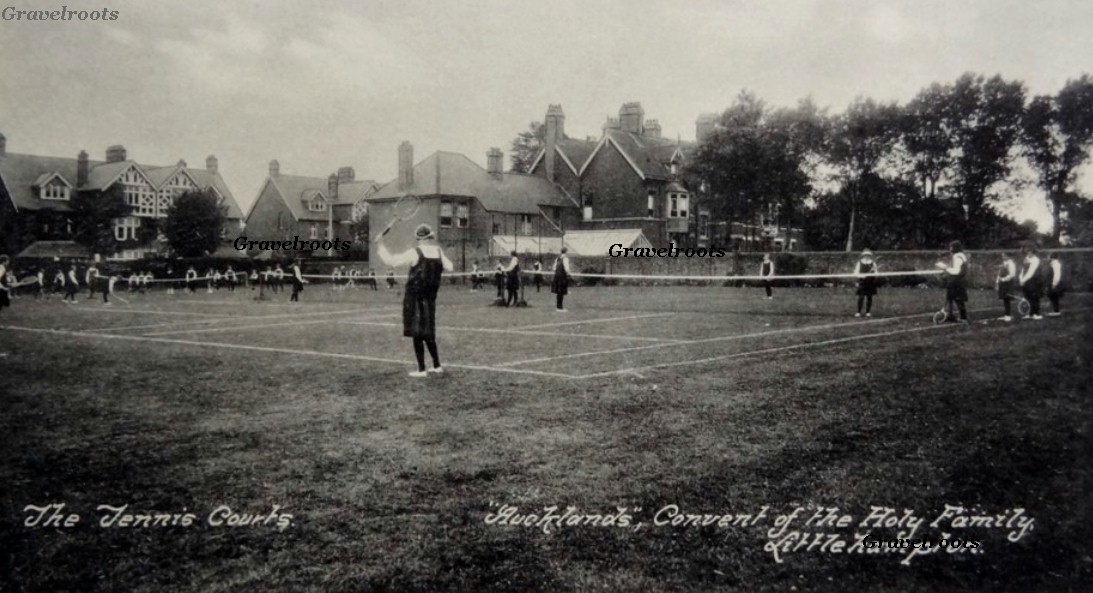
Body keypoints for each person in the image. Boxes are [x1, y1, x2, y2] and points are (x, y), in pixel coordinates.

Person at [377, 224, 454, 377]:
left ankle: (421, 369)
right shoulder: (438, 251)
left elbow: (392, 261)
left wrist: (380, 245)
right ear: (430, 236)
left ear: (418, 238)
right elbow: (450, 266)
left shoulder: (414, 252)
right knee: (429, 332)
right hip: (430, 299)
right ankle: (437, 365)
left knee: (417, 333)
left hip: (415, 297)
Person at [935, 240, 969, 323]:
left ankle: (963, 318)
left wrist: (945, 267)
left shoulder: (957, 257)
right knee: (950, 298)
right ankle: (951, 315)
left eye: (951, 247)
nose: (950, 249)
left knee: (958, 299)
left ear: (955, 248)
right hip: (956, 280)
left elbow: (956, 271)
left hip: (957, 281)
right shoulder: (960, 256)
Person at [1018, 246, 1044, 320]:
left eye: (1030, 252)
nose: (1028, 253)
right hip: (1026, 280)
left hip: (1034, 281)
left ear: (1033, 252)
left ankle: (1036, 313)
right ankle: (1029, 313)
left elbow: (1031, 272)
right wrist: (1021, 279)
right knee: (1027, 296)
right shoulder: (1026, 259)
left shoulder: (1036, 260)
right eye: (1027, 251)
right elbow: (1023, 270)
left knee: (1034, 297)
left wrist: (1023, 280)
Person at [854, 250, 878, 317]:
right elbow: (856, 273)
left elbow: (876, 273)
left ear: (870, 256)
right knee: (861, 297)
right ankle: (858, 312)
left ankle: (868, 312)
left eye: (868, 255)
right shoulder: (859, 263)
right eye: (865, 255)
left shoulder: (873, 263)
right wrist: (861, 276)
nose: (867, 256)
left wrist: (874, 275)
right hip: (862, 282)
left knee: (869, 297)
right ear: (863, 255)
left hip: (870, 283)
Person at [996, 252, 1018, 322]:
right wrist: (997, 282)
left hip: (1008, 284)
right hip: (1003, 283)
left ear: (1008, 256)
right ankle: (1006, 314)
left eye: (1004, 256)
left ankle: (1008, 315)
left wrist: (1004, 279)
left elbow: (1012, 274)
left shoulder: (1011, 264)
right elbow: (999, 273)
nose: (1003, 257)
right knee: (1005, 299)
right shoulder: (1003, 264)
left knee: (1007, 299)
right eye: (1002, 256)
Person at [551, 247, 571, 312]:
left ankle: (558, 307)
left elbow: (554, 268)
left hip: (557, 276)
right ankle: (560, 308)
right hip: (562, 276)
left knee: (559, 292)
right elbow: (567, 268)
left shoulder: (557, 258)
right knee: (561, 292)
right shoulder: (565, 259)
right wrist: (568, 274)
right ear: (566, 252)